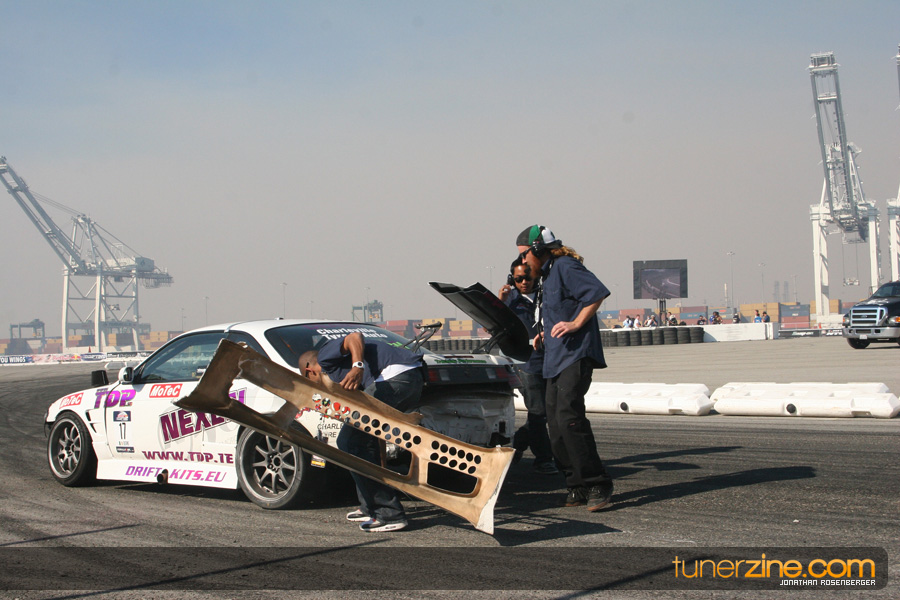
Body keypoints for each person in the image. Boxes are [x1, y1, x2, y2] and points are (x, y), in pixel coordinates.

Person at [515, 225, 614, 511]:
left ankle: (598, 483)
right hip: (555, 357)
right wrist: (543, 333)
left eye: (524, 255)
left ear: (537, 250)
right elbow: (558, 311)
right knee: (556, 424)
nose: (523, 262)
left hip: (576, 355)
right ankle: (576, 484)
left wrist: (576, 323)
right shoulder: (546, 276)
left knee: (570, 418)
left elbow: (596, 293)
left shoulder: (565, 266)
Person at [299, 331, 424, 532]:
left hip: (393, 379)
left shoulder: (324, 357)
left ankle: (389, 514)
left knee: (349, 442)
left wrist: (357, 366)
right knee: (363, 441)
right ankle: (369, 506)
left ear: (309, 371)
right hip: (408, 380)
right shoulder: (340, 370)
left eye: (310, 382)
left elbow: (354, 337)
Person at [498, 258, 557, 475]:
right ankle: (543, 459)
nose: (524, 282)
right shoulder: (510, 300)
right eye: (519, 278)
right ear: (512, 279)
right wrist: (501, 301)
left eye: (528, 278)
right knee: (538, 412)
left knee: (549, 411)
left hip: (549, 361)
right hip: (524, 363)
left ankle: (519, 442)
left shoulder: (545, 297)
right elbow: (491, 325)